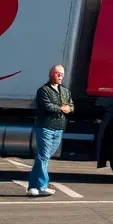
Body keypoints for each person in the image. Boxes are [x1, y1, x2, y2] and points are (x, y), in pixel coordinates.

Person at [27, 64, 73, 197]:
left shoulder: (65, 91)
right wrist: (61, 108)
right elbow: (47, 106)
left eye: (62, 74)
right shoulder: (44, 90)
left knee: (44, 157)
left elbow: (71, 106)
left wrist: (67, 108)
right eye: (57, 73)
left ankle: (33, 187)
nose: (60, 76)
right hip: (45, 127)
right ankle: (42, 186)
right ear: (51, 74)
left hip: (58, 129)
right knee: (43, 156)